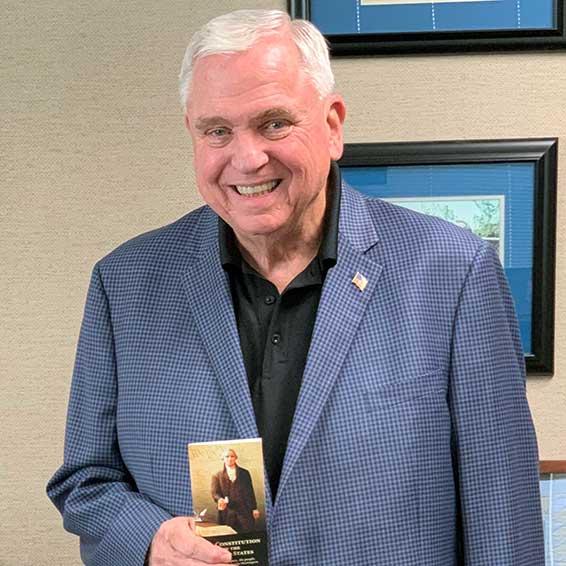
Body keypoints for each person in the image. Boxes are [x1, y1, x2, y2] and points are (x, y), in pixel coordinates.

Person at [47, 9, 545, 566]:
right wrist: (150, 538)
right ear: (192, 132)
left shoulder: (453, 273)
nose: (248, 157)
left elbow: (503, 518)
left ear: (332, 125)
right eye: (218, 131)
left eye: (274, 123)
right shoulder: (126, 282)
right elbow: (86, 480)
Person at [210, 448, 260, 533]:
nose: (230, 459)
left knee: (247, 534)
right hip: (227, 511)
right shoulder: (217, 475)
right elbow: (215, 493)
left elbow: (250, 492)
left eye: (232, 456)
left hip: (244, 510)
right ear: (223, 459)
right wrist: (220, 499)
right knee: (228, 536)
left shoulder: (245, 473)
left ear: (236, 458)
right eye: (227, 456)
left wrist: (254, 508)